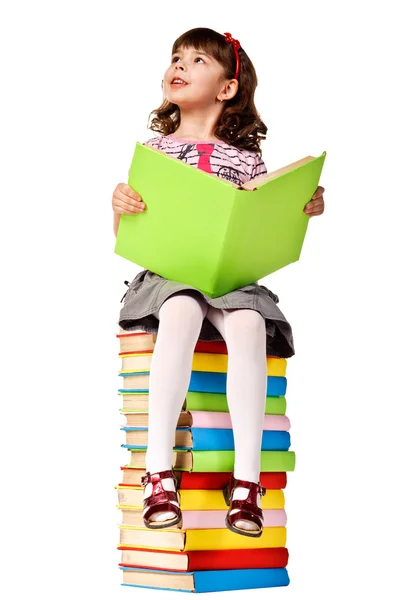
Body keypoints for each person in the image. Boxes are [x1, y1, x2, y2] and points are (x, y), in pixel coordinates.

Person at [112, 28, 325, 538]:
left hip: (229, 279)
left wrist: (303, 209)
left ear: (226, 88)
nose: (178, 66)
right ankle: (158, 470)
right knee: (182, 311)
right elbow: (131, 236)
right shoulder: (155, 150)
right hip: (170, 275)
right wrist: (118, 206)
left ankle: (248, 483)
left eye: (197, 60)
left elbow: (260, 225)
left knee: (250, 322)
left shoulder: (247, 159)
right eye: (175, 58)